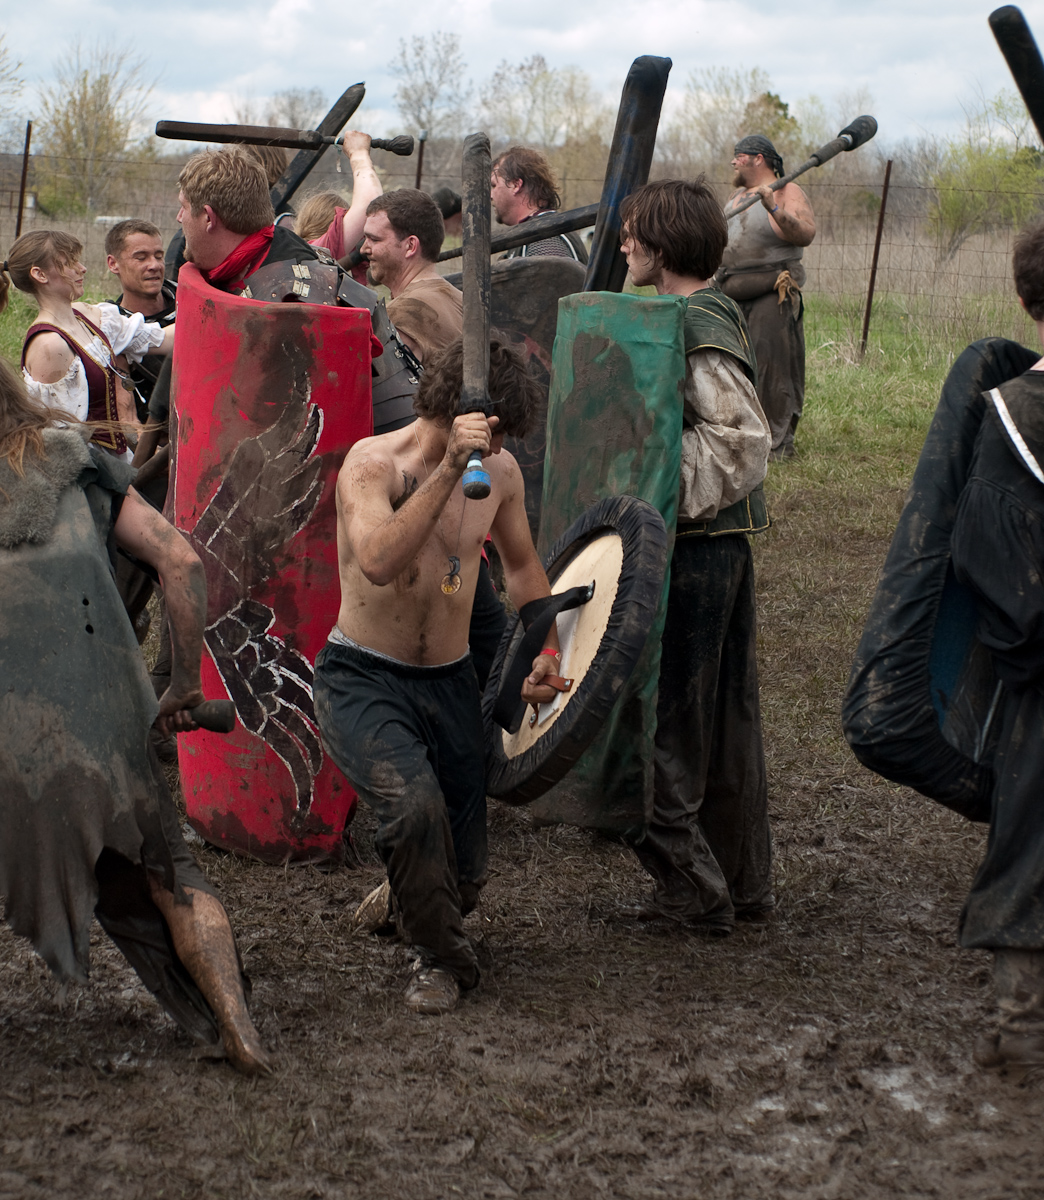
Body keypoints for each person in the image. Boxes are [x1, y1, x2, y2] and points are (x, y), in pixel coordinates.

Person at [0, 356, 271, 1074]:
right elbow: (183, 563)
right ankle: (238, 1025)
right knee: (169, 875)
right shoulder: (73, 460)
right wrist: (183, 686)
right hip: (105, 719)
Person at [313, 338, 557, 1015]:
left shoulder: (500, 474)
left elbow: (522, 570)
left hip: (450, 683)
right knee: (414, 808)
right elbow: (378, 560)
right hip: (364, 678)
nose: (499, 447)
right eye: (494, 431)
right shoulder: (373, 464)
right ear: (458, 414)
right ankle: (440, 961)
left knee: (465, 877)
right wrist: (449, 467)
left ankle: (407, 895)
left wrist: (545, 650)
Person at [618, 177, 774, 935]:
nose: (624, 244)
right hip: (711, 547)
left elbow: (740, 443)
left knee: (675, 718)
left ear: (662, 243)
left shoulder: (700, 319)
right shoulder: (689, 313)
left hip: (699, 550)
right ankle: (741, 883)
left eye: (634, 234)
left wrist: (651, 480)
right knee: (718, 721)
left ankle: (698, 889)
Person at [945, 217, 1044, 1071]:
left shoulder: (1013, 416)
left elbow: (990, 551)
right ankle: (1023, 1025)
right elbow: (997, 556)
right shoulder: (1016, 418)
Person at [6, 230, 174, 465]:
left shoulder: (89, 316)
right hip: (91, 471)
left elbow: (162, 339)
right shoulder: (49, 345)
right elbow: (61, 443)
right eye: (69, 263)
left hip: (117, 459)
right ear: (40, 274)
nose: (82, 268)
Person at [717, 135, 816, 460]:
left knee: (771, 368)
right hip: (731, 290)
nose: (734, 161)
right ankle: (740, 437)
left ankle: (776, 443)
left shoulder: (787, 192)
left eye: (739, 156)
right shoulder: (735, 197)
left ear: (758, 158)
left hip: (772, 289)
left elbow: (806, 234)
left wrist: (772, 206)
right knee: (732, 366)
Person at [361, 188, 463, 364]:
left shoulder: (401, 315)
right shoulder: (462, 301)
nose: (363, 249)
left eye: (374, 239)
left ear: (410, 246)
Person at [105, 218, 177, 422]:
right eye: (141, 258)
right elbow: (129, 421)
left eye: (159, 256)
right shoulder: (114, 330)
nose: (154, 265)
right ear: (113, 264)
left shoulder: (192, 298)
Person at [490, 147, 588, 263]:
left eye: (494, 185)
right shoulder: (531, 234)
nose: (491, 195)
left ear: (516, 185)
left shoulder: (546, 238)